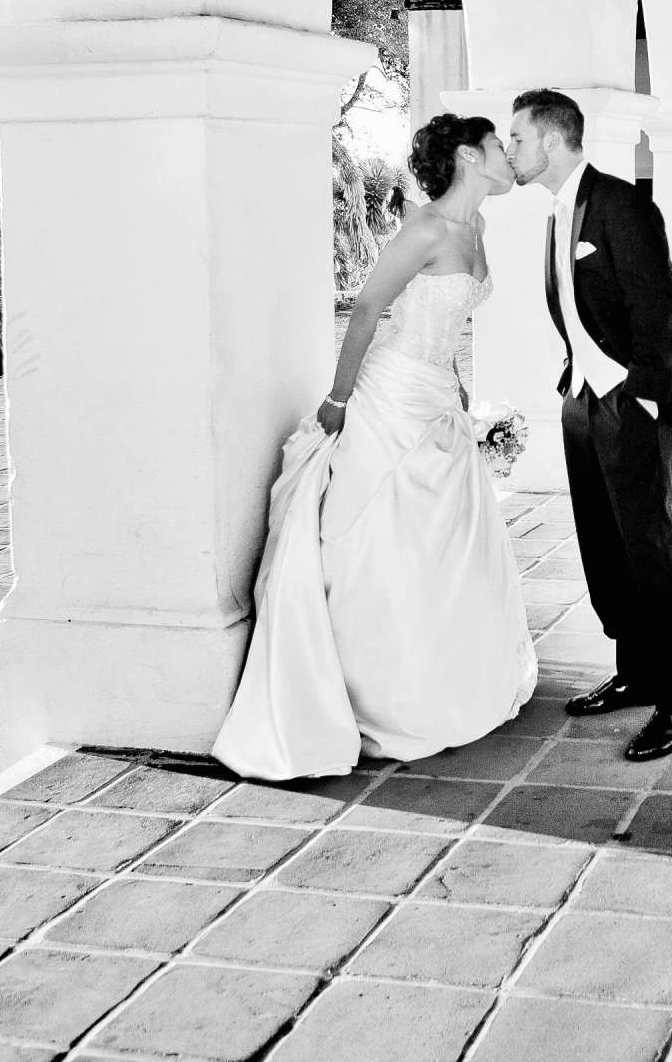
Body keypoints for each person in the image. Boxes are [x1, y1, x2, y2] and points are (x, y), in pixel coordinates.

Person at [213, 114, 535, 779]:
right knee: (387, 542)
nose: (510, 155)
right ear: (470, 156)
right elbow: (367, 311)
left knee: (449, 542)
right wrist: (337, 398)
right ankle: (383, 695)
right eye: (502, 146)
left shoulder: (477, 227)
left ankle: (453, 678)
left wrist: (460, 388)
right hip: (391, 395)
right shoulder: (424, 229)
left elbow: (445, 325)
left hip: (439, 397)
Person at [506, 88, 672, 761]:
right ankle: (635, 670)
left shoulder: (621, 204)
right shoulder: (555, 214)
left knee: (647, 543)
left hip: (629, 402)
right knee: (603, 541)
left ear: (553, 139)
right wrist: (578, 383)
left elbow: (661, 307)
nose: (509, 149)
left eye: (517, 138)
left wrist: (646, 398)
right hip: (581, 400)